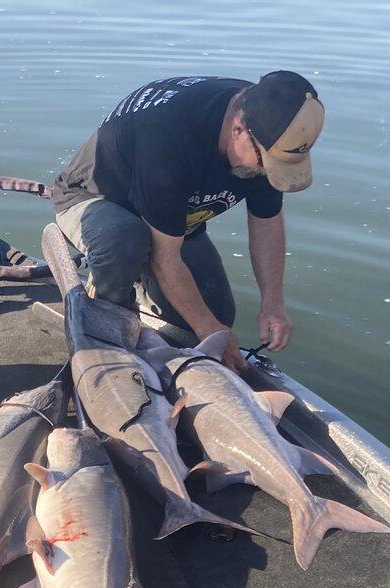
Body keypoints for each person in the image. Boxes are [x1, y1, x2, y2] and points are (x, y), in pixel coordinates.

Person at [52, 72, 323, 369]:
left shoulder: (270, 129)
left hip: (173, 220)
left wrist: (273, 302)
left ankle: (144, 295)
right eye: (266, 163)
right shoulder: (170, 136)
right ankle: (101, 326)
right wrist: (210, 330)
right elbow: (165, 258)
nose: (267, 173)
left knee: (218, 313)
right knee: (125, 240)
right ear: (238, 129)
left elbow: (267, 222)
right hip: (97, 201)